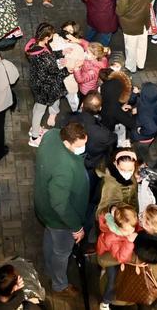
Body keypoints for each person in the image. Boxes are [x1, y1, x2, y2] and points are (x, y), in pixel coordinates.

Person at [34, 121, 90, 297]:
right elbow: (60, 204)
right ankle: (59, 284)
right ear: (67, 143)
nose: (83, 149)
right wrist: (76, 227)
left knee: (50, 238)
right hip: (61, 219)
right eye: (80, 146)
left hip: (44, 207)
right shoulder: (65, 168)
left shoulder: (52, 135)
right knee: (62, 252)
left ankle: (49, 268)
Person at [25, 23, 67, 147]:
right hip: (44, 87)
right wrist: (66, 70)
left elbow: (51, 54)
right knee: (39, 110)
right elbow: (54, 72)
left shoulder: (34, 44)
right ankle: (34, 137)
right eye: (52, 33)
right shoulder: (44, 57)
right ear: (47, 37)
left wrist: (61, 52)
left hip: (36, 82)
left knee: (37, 108)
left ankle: (35, 128)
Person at [116, 0, 156, 72]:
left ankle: (131, 67)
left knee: (131, 46)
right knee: (143, 43)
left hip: (130, 23)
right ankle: (141, 64)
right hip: (145, 18)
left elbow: (121, 9)